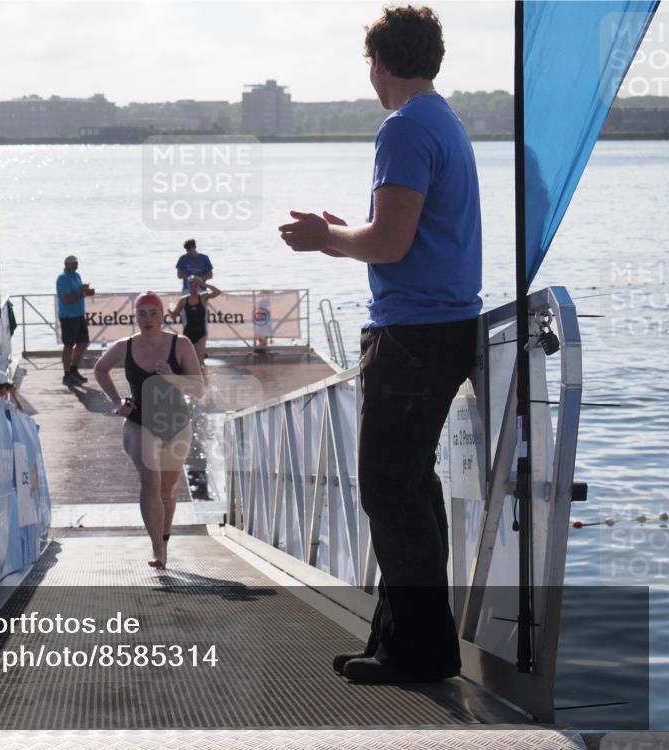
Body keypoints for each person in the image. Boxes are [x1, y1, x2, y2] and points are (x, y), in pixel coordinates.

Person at [279, 5, 481, 684]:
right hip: (443, 327)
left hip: (413, 335)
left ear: (381, 63)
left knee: (390, 490)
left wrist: (324, 239)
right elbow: (404, 237)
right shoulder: (443, 121)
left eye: (368, 62)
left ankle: (422, 653)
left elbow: (390, 243)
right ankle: (402, 643)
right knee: (410, 488)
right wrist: (348, 233)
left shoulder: (402, 128)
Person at [94, 292, 204, 569]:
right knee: (151, 481)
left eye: (153, 313)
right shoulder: (124, 346)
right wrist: (118, 402)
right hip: (139, 421)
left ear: (163, 315)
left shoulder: (180, 344)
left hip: (176, 423)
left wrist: (170, 375)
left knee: (167, 490)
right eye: (142, 314)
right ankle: (157, 548)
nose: (148, 319)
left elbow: (199, 389)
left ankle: (164, 541)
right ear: (135, 317)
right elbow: (100, 369)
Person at [55, 255, 94, 386]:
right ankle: (66, 375)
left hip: (79, 315)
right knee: (68, 345)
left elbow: (77, 292)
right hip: (68, 317)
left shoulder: (77, 276)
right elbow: (67, 299)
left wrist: (84, 288)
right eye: (72, 263)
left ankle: (73, 369)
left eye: (76, 263)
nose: (75, 265)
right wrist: (84, 294)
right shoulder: (62, 278)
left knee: (83, 343)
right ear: (65, 264)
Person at [169, 276, 221, 364]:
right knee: (186, 361)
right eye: (191, 286)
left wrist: (204, 284)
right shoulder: (183, 300)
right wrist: (172, 314)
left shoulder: (203, 297)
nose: (193, 288)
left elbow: (218, 292)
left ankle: (199, 376)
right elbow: (174, 315)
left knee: (199, 361)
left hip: (201, 334)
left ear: (198, 286)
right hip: (188, 333)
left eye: (195, 286)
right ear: (188, 287)